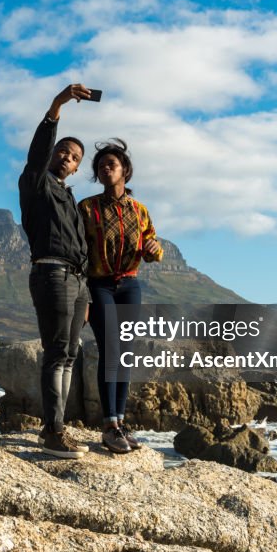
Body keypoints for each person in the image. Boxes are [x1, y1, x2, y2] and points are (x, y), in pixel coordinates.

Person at [19, 83, 94, 459]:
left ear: (79, 166)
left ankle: (58, 424)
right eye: (63, 150)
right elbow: (36, 155)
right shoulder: (36, 183)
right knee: (57, 351)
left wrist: (89, 294)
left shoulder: (69, 197)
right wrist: (56, 107)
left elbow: (82, 248)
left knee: (69, 354)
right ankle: (52, 432)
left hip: (76, 282)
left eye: (74, 155)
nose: (67, 156)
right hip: (51, 275)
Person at [78, 139, 163, 453]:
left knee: (124, 354)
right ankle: (109, 425)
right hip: (99, 285)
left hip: (129, 285)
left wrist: (155, 250)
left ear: (124, 171)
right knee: (110, 349)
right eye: (100, 166)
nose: (104, 169)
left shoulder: (140, 211)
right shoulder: (87, 208)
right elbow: (77, 251)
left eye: (110, 165)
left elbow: (152, 245)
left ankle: (120, 422)